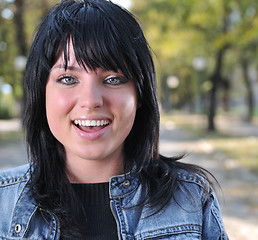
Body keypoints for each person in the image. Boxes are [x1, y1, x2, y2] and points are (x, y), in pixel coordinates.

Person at [0, 0, 229, 239]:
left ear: (140, 94)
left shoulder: (190, 199)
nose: (90, 101)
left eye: (113, 79)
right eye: (68, 79)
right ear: (41, 92)